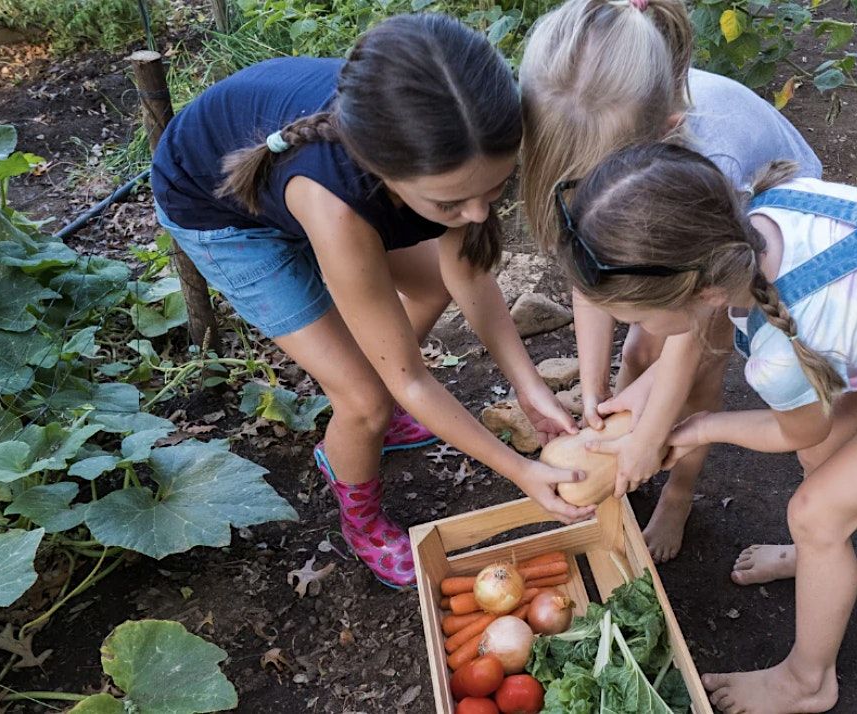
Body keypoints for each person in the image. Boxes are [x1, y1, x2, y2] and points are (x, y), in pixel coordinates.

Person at [557, 141, 857, 714]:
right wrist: (638, 409)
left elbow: (799, 431)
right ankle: (814, 557)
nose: (635, 331)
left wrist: (698, 428)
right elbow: (695, 334)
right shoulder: (754, 223)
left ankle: (807, 683)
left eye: (637, 319)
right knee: (828, 470)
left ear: (702, 291)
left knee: (815, 512)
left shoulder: (780, 350)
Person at [150, 14, 593, 589]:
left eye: (496, 189)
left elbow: (469, 281)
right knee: (364, 399)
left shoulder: (453, 144)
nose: (480, 214)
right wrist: (520, 471)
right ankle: (361, 518)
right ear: (385, 173)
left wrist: (530, 391)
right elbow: (412, 380)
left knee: (429, 286)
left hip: (302, 186)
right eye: (452, 203)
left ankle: (372, 414)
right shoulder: (340, 206)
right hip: (216, 208)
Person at [519, 0, 822, 561]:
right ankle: (629, 444)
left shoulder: (712, 165)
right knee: (638, 352)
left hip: (751, 232)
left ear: (666, 134)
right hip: (676, 242)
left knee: (697, 362)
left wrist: (653, 432)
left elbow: (693, 339)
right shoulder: (589, 134)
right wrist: (593, 389)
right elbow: (590, 274)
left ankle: (679, 494)